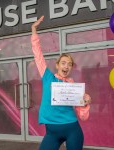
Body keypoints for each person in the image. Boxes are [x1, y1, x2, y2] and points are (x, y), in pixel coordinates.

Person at [31, 16, 91, 150]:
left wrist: (85, 103)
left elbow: (82, 115)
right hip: (52, 133)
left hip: (72, 130)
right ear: (57, 65)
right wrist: (34, 30)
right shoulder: (48, 77)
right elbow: (38, 55)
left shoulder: (73, 85)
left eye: (69, 64)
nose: (67, 66)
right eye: (63, 63)